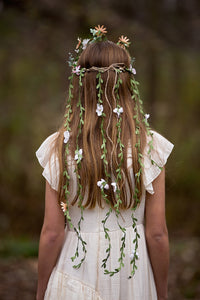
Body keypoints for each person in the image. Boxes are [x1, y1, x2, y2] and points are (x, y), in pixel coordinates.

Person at [36, 26, 174, 300]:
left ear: (80, 85)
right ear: (127, 85)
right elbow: (157, 234)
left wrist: (41, 292)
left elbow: (52, 232)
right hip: (132, 275)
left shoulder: (59, 146)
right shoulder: (151, 146)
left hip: (74, 271)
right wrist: (161, 292)